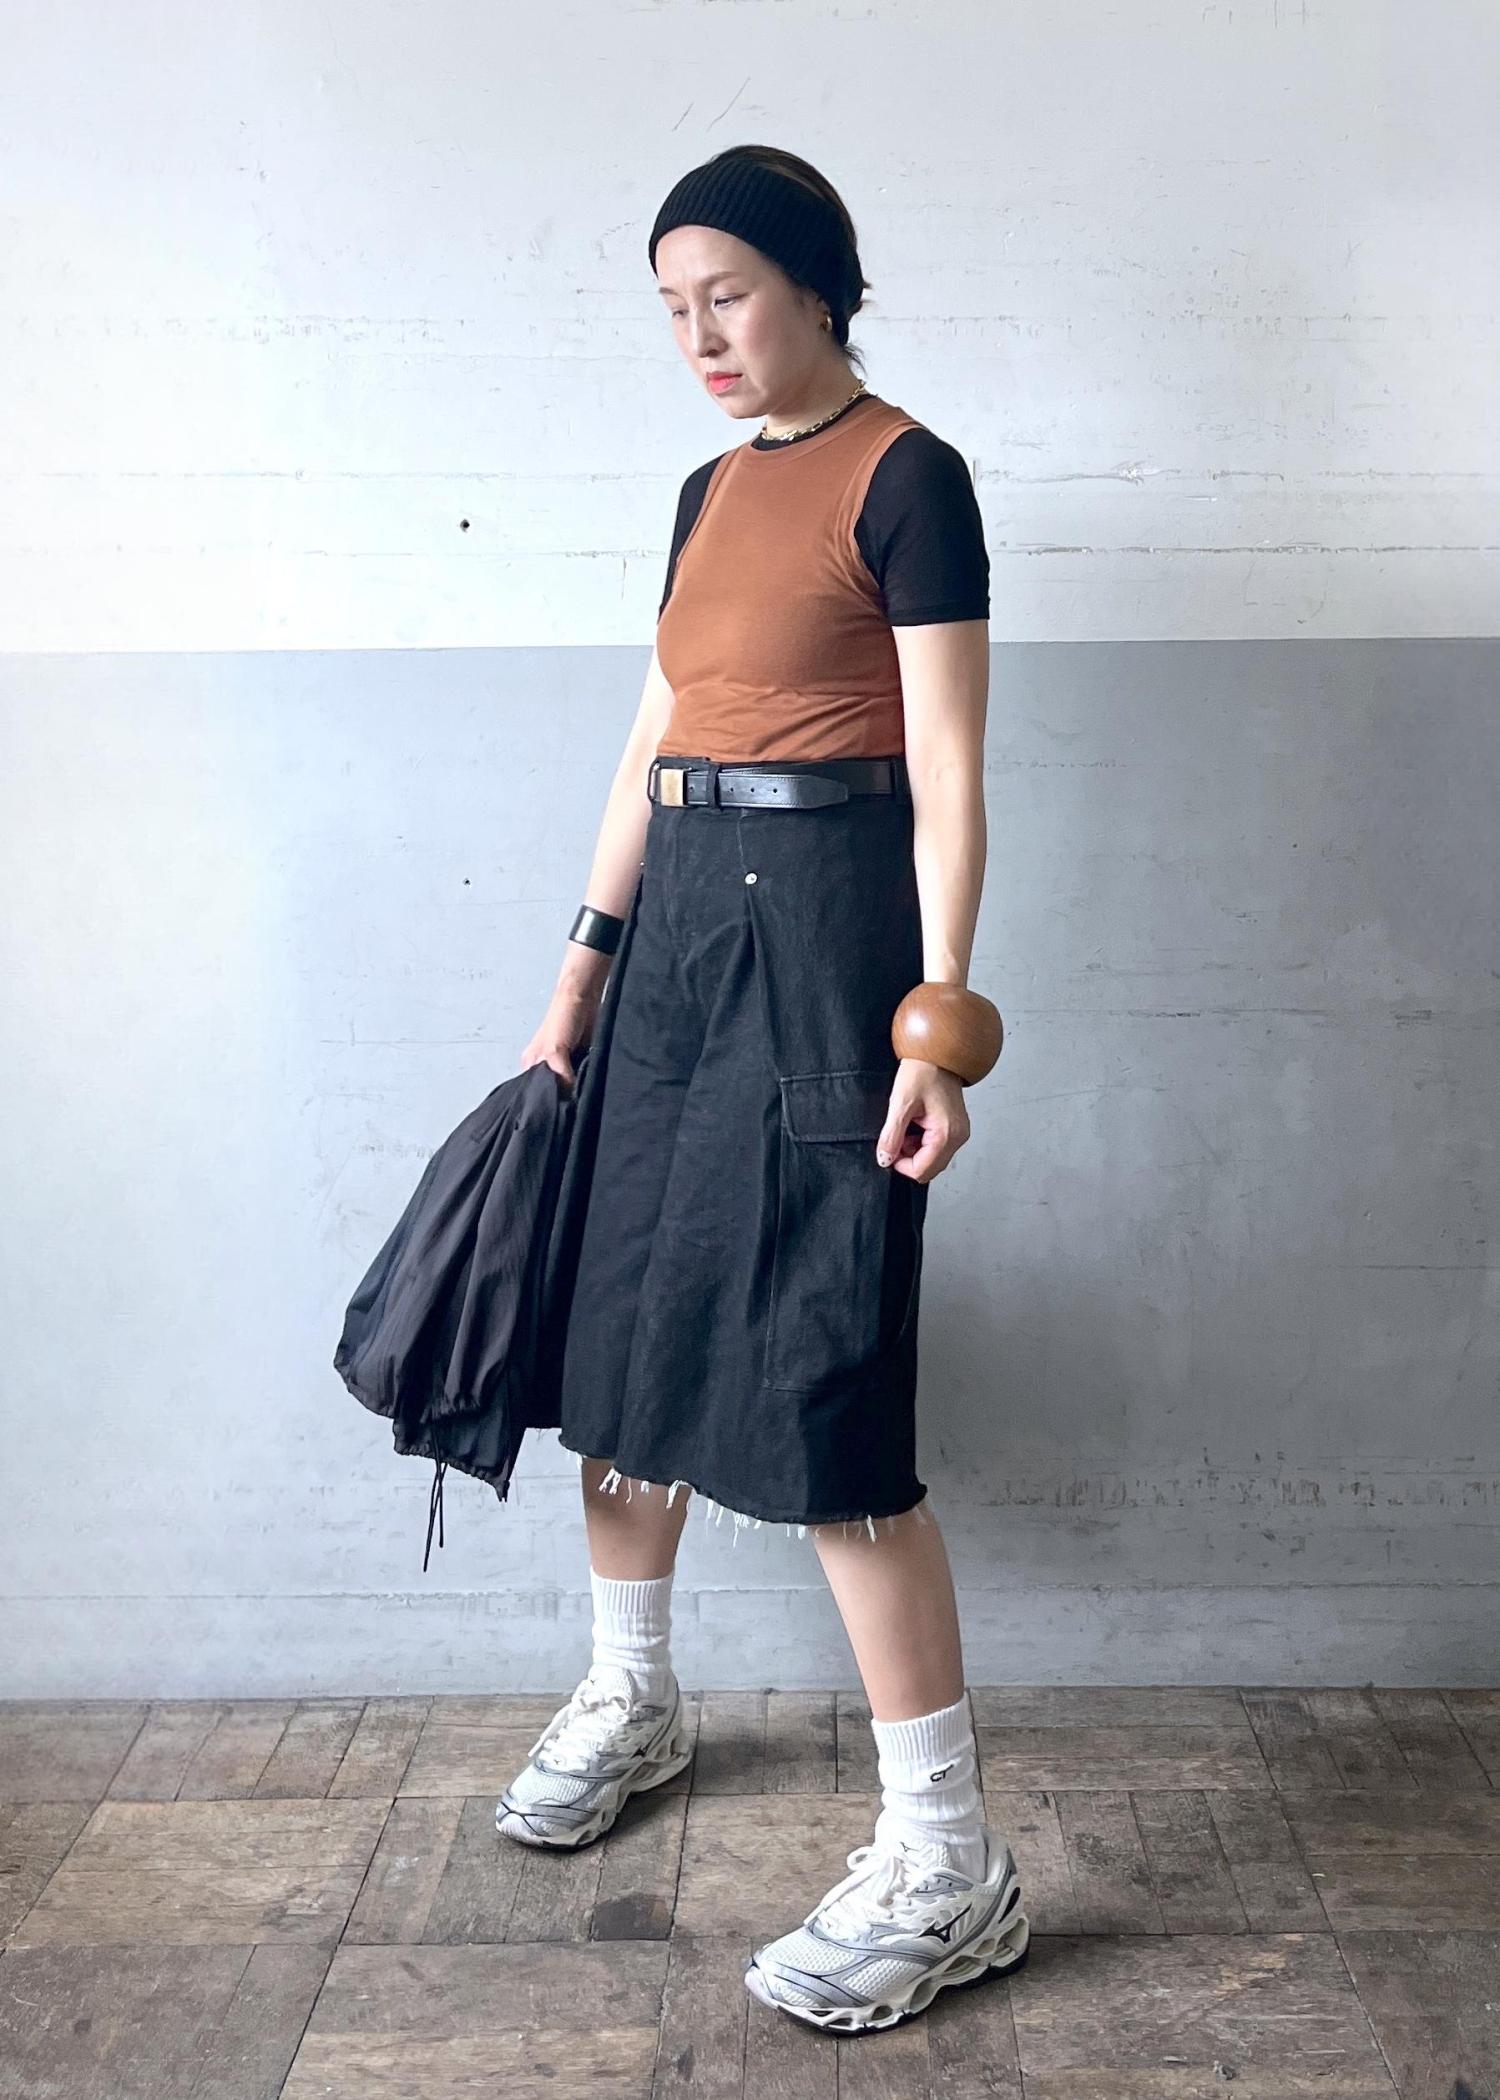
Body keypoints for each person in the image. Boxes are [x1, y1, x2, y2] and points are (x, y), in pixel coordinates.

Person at [494, 143, 1029, 2034]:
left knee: (822, 1381)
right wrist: (584, 958)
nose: (700, 336)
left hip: (825, 942)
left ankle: (949, 1860)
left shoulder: (911, 477)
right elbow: (654, 732)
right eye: (671, 307)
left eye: (725, 292)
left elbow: (948, 769)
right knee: (623, 1339)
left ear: (817, 283)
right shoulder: (707, 491)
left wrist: (936, 1024)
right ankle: (633, 1693)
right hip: (676, 955)